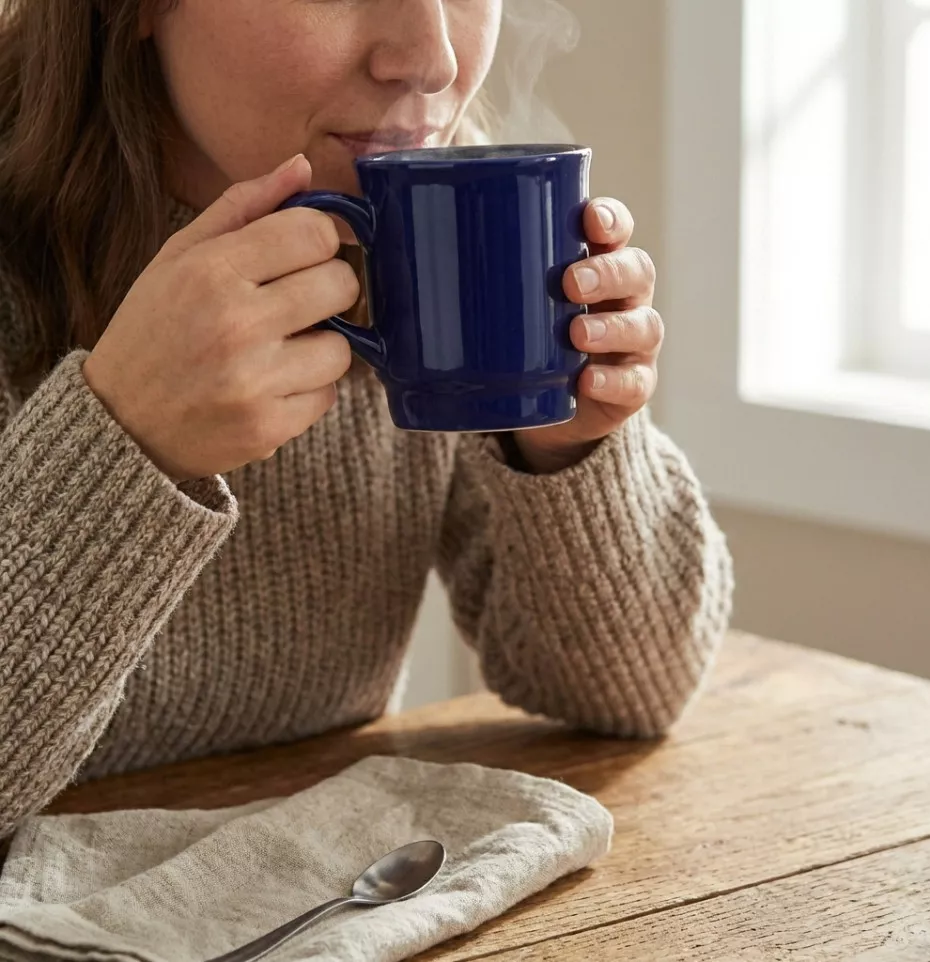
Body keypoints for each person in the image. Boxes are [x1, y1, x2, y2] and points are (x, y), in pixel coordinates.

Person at [0, 0, 733, 839]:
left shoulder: (422, 232)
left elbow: (631, 693)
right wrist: (121, 444)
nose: (431, 61)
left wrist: (569, 449)